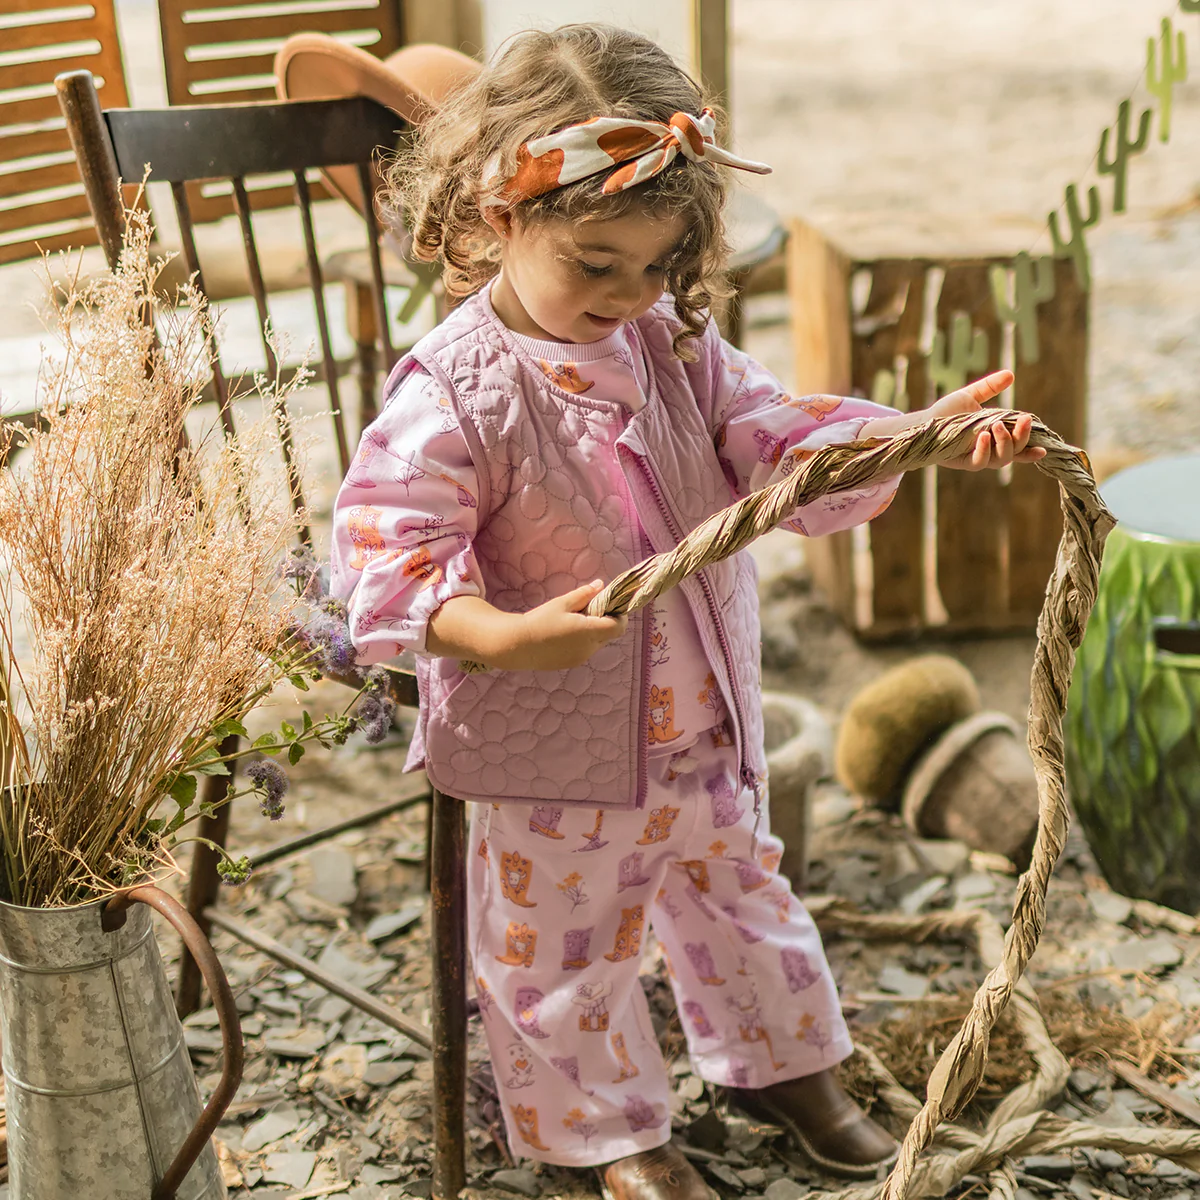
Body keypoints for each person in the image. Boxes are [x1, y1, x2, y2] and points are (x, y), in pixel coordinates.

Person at [330, 23, 1043, 1200]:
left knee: (741, 892)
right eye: (596, 263)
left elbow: (773, 437)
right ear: (502, 219)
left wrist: (916, 441)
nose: (627, 295)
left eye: (658, 266)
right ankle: (611, 1131)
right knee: (564, 950)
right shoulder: (454, 390)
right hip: (552, 741)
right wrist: (495, 635)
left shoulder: (673, 346)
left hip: (699, 711)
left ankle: (781, 1064)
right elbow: (387, 546)